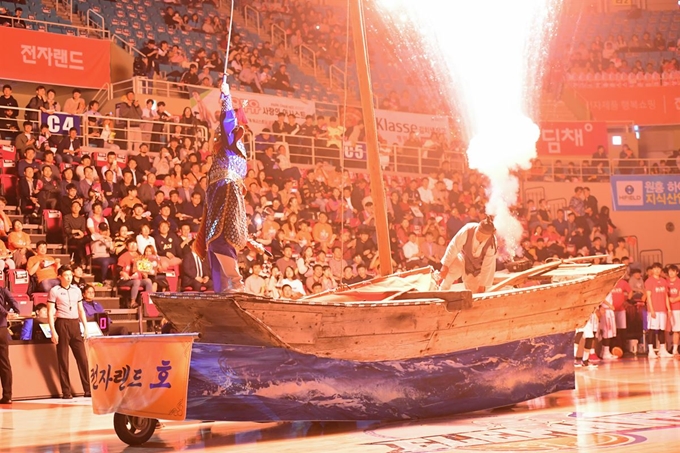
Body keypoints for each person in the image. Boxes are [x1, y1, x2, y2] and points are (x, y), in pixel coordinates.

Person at [193, 80, 264, 292]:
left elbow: (228, 122)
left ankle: (234, 283)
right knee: (214, 242)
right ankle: (224, 288)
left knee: (219, 239)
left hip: (226, 191)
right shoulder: (229, 147)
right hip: (220, 191)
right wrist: (225, 98)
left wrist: (226, 97)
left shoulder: (233, 144)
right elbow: (226, 122)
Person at [47, 265, 91, 399]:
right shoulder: (54, 290)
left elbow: (81, 310)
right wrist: (53, 331)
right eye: (66, 275)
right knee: (63, 360)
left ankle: (88, 390)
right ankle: (66, 391)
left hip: (74, 324)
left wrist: (86, 327)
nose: (69, 278)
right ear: (60, 276)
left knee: (83, 359)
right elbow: (50, 311)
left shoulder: (76, 290)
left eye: (70, 275)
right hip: (62, 323)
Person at [438, 217, 497, 293]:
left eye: (483, 236)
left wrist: (483, 284)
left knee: (476, 292)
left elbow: (487, 266)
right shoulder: (468, 229)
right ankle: (443, 289)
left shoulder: (492, 242)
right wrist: (445, 265)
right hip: (463, 258)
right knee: (454, 268)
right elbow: (454, 246)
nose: (480, 237)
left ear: (489, 236)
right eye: (479, 234)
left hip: (478, 268)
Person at [645, 262, 672, 358]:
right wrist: (651, 310)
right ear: (652, 270)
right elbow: (648, 296)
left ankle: (662, 350)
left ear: (661, 270)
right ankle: (651, 351)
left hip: (663, 310)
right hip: (654, 310)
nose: (657, 270)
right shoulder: (649, 281)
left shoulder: (664, 281)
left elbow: (665, 296)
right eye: (655, 268)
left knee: (662, 330)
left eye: (658, 268)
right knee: (652, 330)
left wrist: (668, 309)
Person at [0, 287, 20, 404]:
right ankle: (7, 396)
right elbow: (13, 300)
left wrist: (6, 313)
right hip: (2, 329)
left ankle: (7, 396)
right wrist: (16, 311)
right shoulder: (3, 289)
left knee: (4, 363)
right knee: (4, 363)